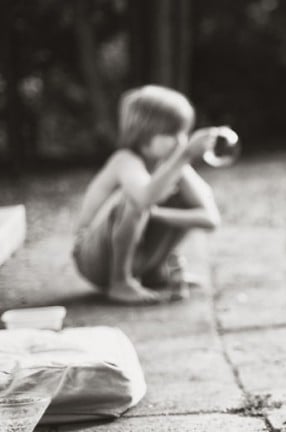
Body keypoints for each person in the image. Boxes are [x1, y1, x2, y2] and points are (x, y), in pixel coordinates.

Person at [73, 85, 222, 304]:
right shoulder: (124, 160)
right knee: (136, 199)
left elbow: (210, 218)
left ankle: (153, 272)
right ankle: (120, 282)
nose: (180, 142)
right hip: (93, 259)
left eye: (183, 133)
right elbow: (142, 199)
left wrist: (158, 212)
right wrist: (184, 156)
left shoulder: (171, 164)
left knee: (176, 199)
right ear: (144, 133)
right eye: (171, 134)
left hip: (141, 260)